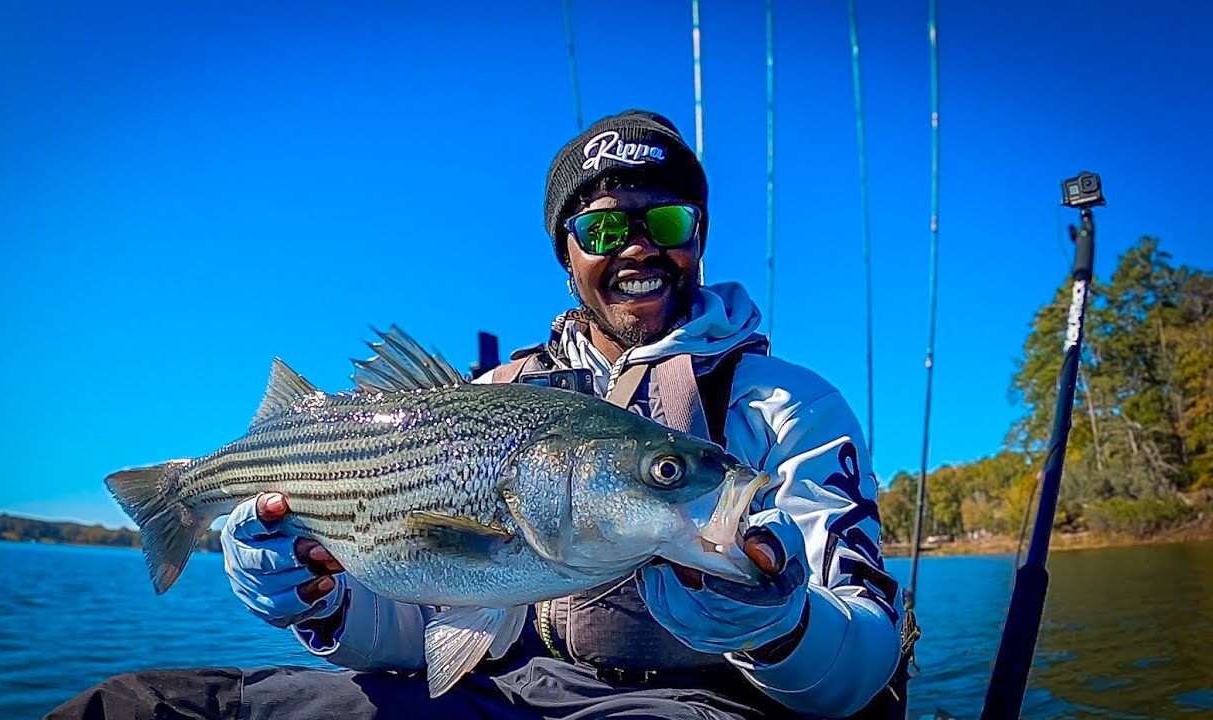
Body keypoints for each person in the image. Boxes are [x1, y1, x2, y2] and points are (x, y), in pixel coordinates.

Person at [48, 110, 908, 720]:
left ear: (700, 237)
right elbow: (422, 622)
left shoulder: (787, 403)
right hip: (502, 692)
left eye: (670, 220)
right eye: (605, 230)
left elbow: (860, 669)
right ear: (567, 254)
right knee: (126, 710)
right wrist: (320, 602)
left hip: (701, 705)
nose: (640, 247)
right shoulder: (492, 395)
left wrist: (780, 618)